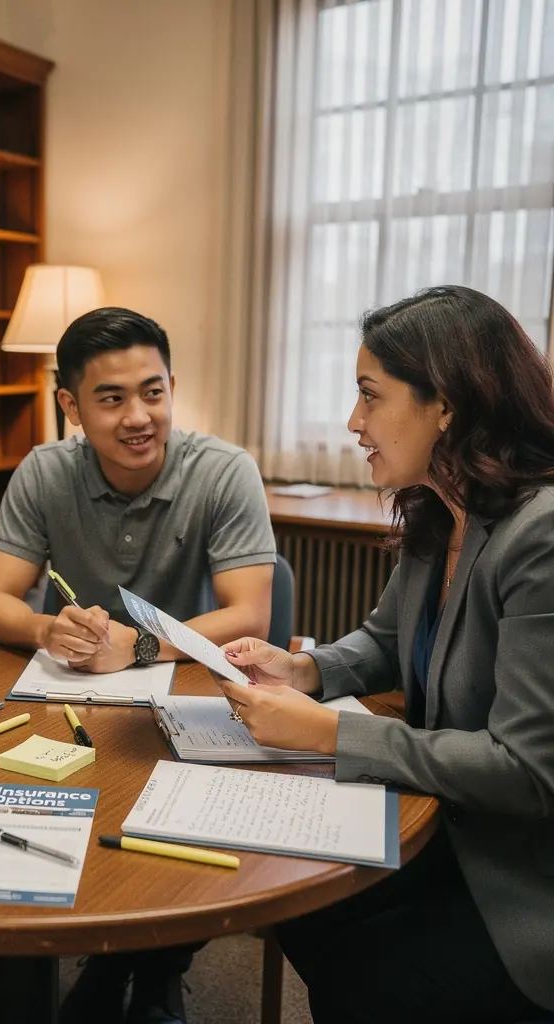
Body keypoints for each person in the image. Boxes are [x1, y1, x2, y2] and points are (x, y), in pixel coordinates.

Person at [218, 285, 554, 1024]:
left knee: (369, 974)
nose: (353, 423)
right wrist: (303, 669)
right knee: (293, 900)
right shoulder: (442, 507)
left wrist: (327, 732)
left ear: (449, 406)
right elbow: (386, 641)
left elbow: (528, 770)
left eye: (370, 397)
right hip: (445, 828)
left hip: (518, 878)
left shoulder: (542, 536)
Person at [0, 306, 277, 1024]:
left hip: (189, 695)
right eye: (111, 399)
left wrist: (138, 647)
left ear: (173, 385)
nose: (139, 416)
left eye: (154, 391)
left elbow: (249, 613)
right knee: (42, 809)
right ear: (70, 405)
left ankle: (153, 968)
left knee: (190, 819)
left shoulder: (224, 471)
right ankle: (114, 961)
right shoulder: (46, 471)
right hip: (71, 696)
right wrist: (49, 627)